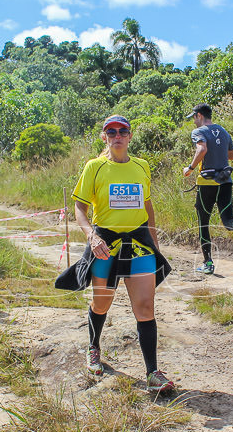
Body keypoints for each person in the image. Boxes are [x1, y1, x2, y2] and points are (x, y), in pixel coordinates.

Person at [54, 115, 175, 393]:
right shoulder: (94, 167)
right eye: (111, 132)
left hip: (139, 244)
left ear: (130, 136)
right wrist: (91, 236)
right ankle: (93, 347)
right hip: (106, 244)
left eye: (122, 131)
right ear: (104, 137)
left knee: (145, 307)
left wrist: (154, 244)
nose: (117, 136)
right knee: (101, 305)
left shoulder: (142, 166)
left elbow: (147, 205)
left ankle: (152, 373)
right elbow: (80, 209)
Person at [182, 104, 233, 275]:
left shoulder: (199, 132)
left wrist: (190, 168)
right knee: (228, 219)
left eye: (194, 118)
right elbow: (232, 155)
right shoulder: (223, 131)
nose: (194, 121)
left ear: (199, 115)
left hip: (207, 183)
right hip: (225, 181)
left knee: (203, 223)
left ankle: (208, 263)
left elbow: (202, 149)